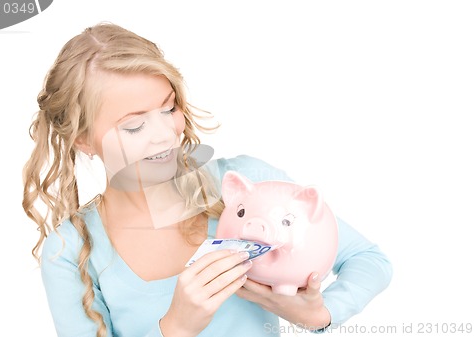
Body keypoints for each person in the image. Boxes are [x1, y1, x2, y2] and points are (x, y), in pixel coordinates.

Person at [22, 22, 392, 337]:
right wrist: (175, 327)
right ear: (83, 140)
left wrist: (318, 315)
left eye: (169, 108)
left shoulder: (245, 184)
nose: (166, 134)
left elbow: (367, 259)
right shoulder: (67, 252)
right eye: (134, 126)